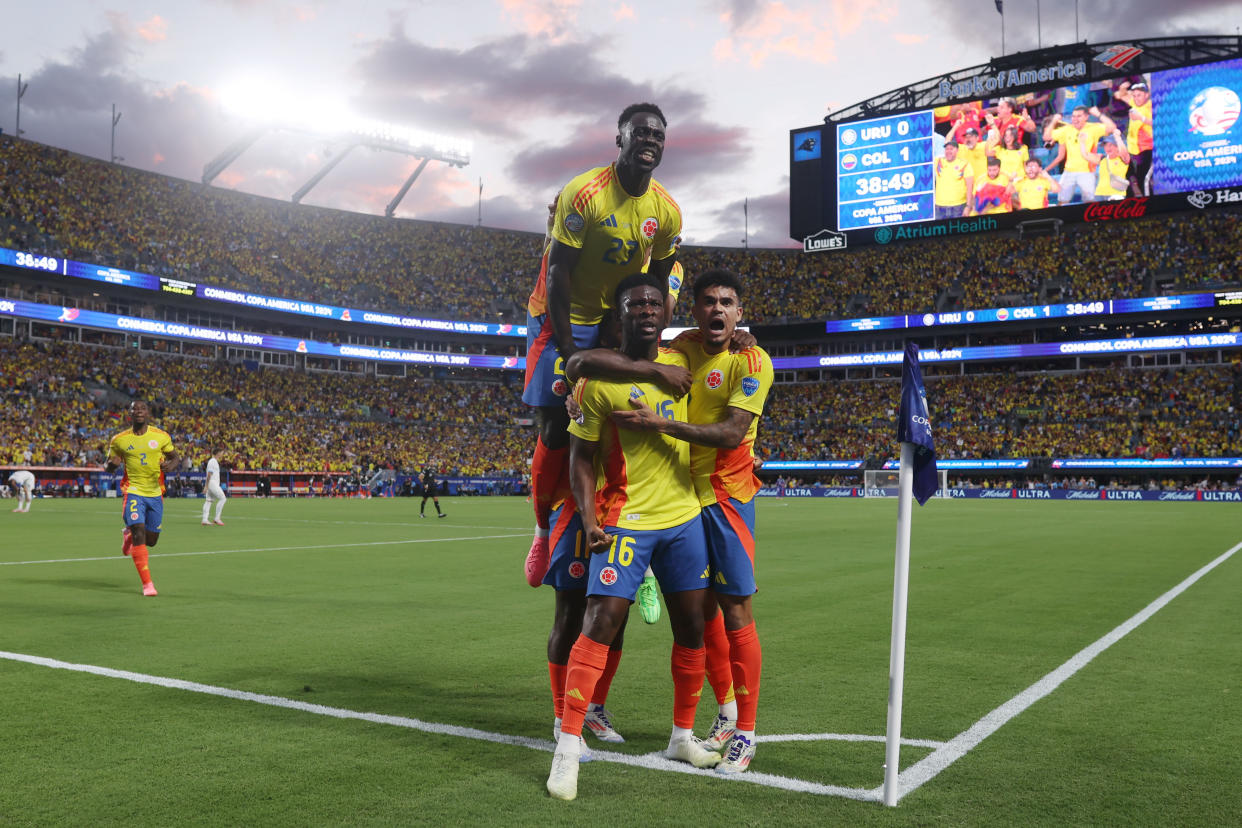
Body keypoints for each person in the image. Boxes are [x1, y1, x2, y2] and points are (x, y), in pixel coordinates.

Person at [545, 273, 716, 802]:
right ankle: (567, 748)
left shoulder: (686, 362)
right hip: (624, 520)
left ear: (667, 313)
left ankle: (682, 737)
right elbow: (578, 458)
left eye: (653, 302)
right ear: (619, 316)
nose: (645, 309)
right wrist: (591, 520)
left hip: (684, 517)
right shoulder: (596, 382)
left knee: (692, 628)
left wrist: (746, 337)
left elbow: (725, 339)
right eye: (633, 303)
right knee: (599, 624)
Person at [608, 269, 773, 774]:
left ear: (740, 312)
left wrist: (662, 425)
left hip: (725, 496)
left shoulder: (752, 360)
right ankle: (725, 711)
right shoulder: (680, 346)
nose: (718, 310)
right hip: (680, 497)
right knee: (701, 614)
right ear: (695, 309)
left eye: (728, 302)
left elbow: (730, 433)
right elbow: (635, 353)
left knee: (736, 607)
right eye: (708, 302)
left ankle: (746, 732)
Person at [520, 102, 683, 592]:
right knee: (553, 426)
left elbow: (657, 279)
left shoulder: (667, 211)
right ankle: (543, 528)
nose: (649, 140)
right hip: (559, 315)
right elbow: (559, 274)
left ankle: (642, 538)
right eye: (640, 133)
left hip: (615, 318)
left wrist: (638, 336)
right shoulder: (584, 193)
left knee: (624, 422)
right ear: (621, 139)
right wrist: (570, 352)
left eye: (657, 134)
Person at [105, 400, 180, 597]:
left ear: (148, 413)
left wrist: (171, 466)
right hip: (133, 491)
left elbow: (175, 457)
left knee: (151, 540)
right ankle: (147, 584)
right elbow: (108, 465)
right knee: (139, 531)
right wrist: (112, 466)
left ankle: (128, 535)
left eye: (142, 409)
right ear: (129, 413)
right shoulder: (119, 440)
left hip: (155, 493)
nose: (138, 411)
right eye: (134, 409)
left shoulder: (161, 436)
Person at [1043, 106, 1116, 204]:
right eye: (1073, 116)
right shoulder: (1067, 129)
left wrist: (1098, 114)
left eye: (1079, 116)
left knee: (1089, 203)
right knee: (1061, 201)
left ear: (1086, 117)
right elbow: (1046, 136)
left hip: (1087, 172)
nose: (1075, 119)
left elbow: (1112, 127)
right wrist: (1054, 121)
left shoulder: (1093, 128)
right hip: (1068, 171)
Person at [1113, 80, 1153, 196]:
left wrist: (1141, 118)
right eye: (1134, 95)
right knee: (1128, 178)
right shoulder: (1134, 103)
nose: (1136, 98)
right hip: (1132, 150)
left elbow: (1159, 123)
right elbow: (1120, 95)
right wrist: (1122, 88)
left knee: (1143, 178)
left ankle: (1151, 202)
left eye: (1139, 95)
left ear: (1146, 95)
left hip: (1146, 149)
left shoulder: (1151, 105)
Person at [1081, 131, 1132, 202]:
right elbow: (1085, 155)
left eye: (1111, 145)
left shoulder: (1123, 159)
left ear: (1117, 146)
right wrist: (1082, 142)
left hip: (1116, 194)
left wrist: (1118, 138)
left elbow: (1124, 152)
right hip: (1099, 194)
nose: (1108, 148)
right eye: (1105, 145)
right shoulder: (1102, 158)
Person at [933, 141, 973, 219]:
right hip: (939, 207)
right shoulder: (938, 162)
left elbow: (970, 187)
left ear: (957, 150)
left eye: (951, 149)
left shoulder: (964, 164)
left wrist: (968, 206)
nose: (948, 151)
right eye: (947, 149)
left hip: (959, 206)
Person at [201, 446, 227, 526]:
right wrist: (206, 486)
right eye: (222, 452)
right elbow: (209, 474)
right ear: (218, 453)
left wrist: (207, 486)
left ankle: (205, 519)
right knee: (223, 498)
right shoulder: (213, 461)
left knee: (208, 501)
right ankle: (217, 518)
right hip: (212, 483)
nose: (223, 454)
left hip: (211, 483)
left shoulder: (213, 461)